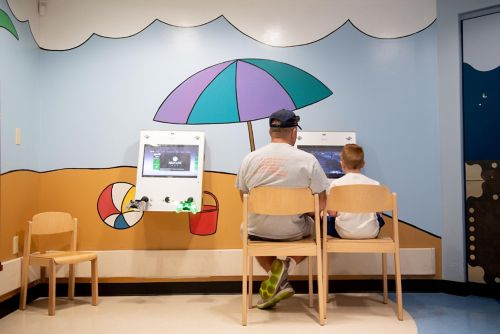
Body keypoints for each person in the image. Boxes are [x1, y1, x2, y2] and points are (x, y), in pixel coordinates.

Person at [236, 109, 330, 310]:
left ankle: (276, 277)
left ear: (271, 132)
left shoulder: (249, 159)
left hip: (258, 231)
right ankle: (285, 268)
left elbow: (244, 198)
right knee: (318, 229)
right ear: (294, 132)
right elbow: (321, 203)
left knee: (247, 228)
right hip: (293, 231)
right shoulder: (308, 160)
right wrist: (304, 210)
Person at [327, 143, 385, 239]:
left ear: (342, 164)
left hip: (344, 232)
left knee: (326, 220)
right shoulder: (375, 184)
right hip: (371, 232)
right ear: (363, 164)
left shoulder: (336, 185)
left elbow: (332, 213)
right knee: (379, 219)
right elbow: (380, 211)